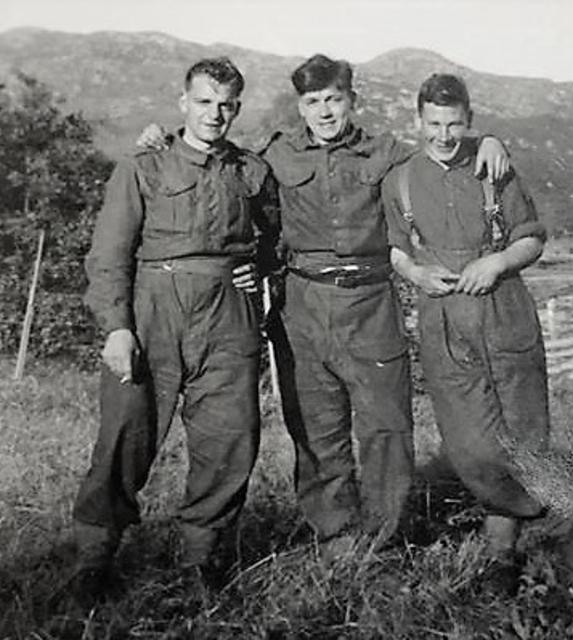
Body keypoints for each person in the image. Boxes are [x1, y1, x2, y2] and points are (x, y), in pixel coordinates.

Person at [136, 54, 509, 559]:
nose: (326, 111)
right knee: (316, 426)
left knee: (386, 425)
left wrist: (486, 140)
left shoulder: (388, 153)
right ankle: (335, 535)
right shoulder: (275, 155)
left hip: (371, 301)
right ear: (300, 107)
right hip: (302, 305)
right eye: (313, 102)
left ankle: (382, 535)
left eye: (335, 99)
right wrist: (161, 139)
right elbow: (221, 169)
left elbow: (439, 153)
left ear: (352, 100)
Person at [71, 57, 277, 596]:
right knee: (125, 435)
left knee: (230, 437)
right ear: (183, 102)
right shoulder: (144, 167)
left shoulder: (251, 172)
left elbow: (279, 238)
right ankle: (94, 558)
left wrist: (260, 274)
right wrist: (117, 327)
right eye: (205, 101)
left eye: (227, 104)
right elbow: (109, 255)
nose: (216, 114)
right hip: (154, 310)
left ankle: (203, 558)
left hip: (229, 315)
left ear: (238, 107)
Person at [382, 73, 548, 561]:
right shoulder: (402, 179)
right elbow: (395, 247)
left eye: (454, 124)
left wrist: (497, 261)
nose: (444, 136)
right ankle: (520, 508)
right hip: (443, 313)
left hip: (504, 304)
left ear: (469, 121)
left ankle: (503, 548)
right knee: (468, 437)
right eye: (433, 123)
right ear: (419, 120)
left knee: (523, 426)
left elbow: (532, 237)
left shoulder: (495, 165)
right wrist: (415, 272)